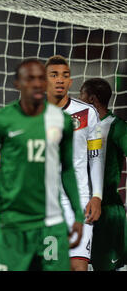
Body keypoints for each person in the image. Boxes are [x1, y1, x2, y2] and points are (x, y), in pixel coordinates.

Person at [0, 58, 84, 271]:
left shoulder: (61, 120)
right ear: (17, 83)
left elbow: (68, 169)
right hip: (12, 226)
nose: (37, 84)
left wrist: (78, 215)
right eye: (30, 79)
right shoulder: (0, 119)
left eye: (41, 79)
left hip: (50, 225)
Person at [46, 55, 104, 271]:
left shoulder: (88, 113)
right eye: (54, 75)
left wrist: (96, 196)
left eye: (65, 75)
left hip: (79, 201)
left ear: (70, 81)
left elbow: (96, 156)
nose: (60, 80)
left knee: (78, 266)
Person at [79, 78, 127, 271]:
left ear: (91, 99)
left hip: (106, 213)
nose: (77, 99)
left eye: (81, 95)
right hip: (80, 211)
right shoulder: (79, 127)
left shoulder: (117, 127)